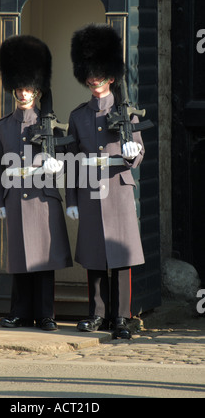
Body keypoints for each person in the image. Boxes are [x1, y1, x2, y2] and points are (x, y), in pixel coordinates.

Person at [66, 24, 145, 339]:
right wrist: (71, 200)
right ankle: (97, 314)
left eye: (99, 73)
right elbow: (72, 162)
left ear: (111, 76)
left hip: (119, 190)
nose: (94, 79)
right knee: (94, 254)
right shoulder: (78, 116)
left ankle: (122, 317)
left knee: (121, 256)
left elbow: (137, 155)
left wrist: (130, 153)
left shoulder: (128, 114)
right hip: (90, 191)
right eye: (90, 74)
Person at [0, 35, 73, 331]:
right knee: (20, 260)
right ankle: (20, 312)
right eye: (20, 88)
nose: (24, 93)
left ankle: (46, 314)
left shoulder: (51, 124)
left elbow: (68, 162)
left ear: (37, 91)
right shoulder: (3, 126)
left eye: (28, 88)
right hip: (15, 197)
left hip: (43, 197)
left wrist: (59, 164)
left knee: (45, 260)